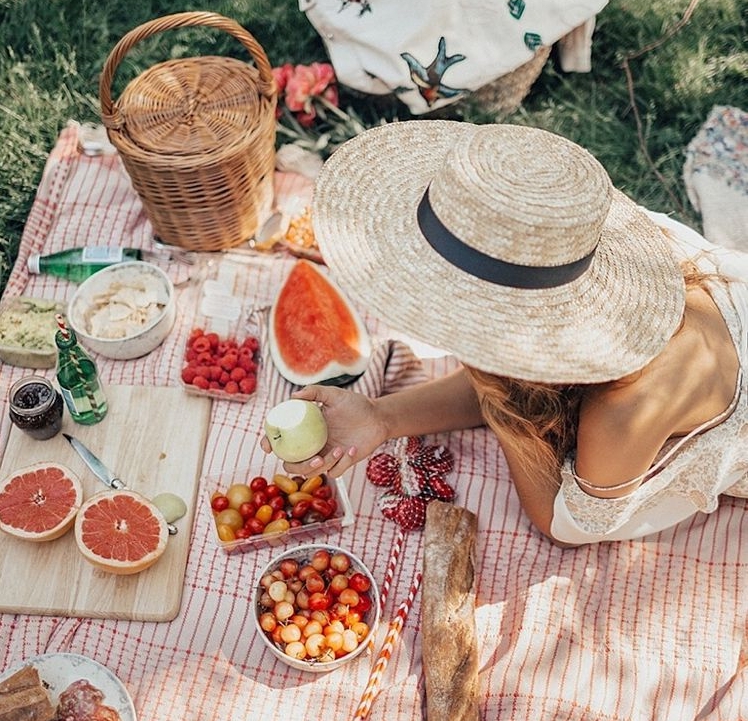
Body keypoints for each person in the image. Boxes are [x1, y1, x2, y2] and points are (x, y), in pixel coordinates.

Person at [263, 121, 748, 546]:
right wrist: (380, 417)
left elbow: (566, 524)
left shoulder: (625, 410)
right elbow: (509, 375)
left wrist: (508, 412)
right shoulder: (582, 247)